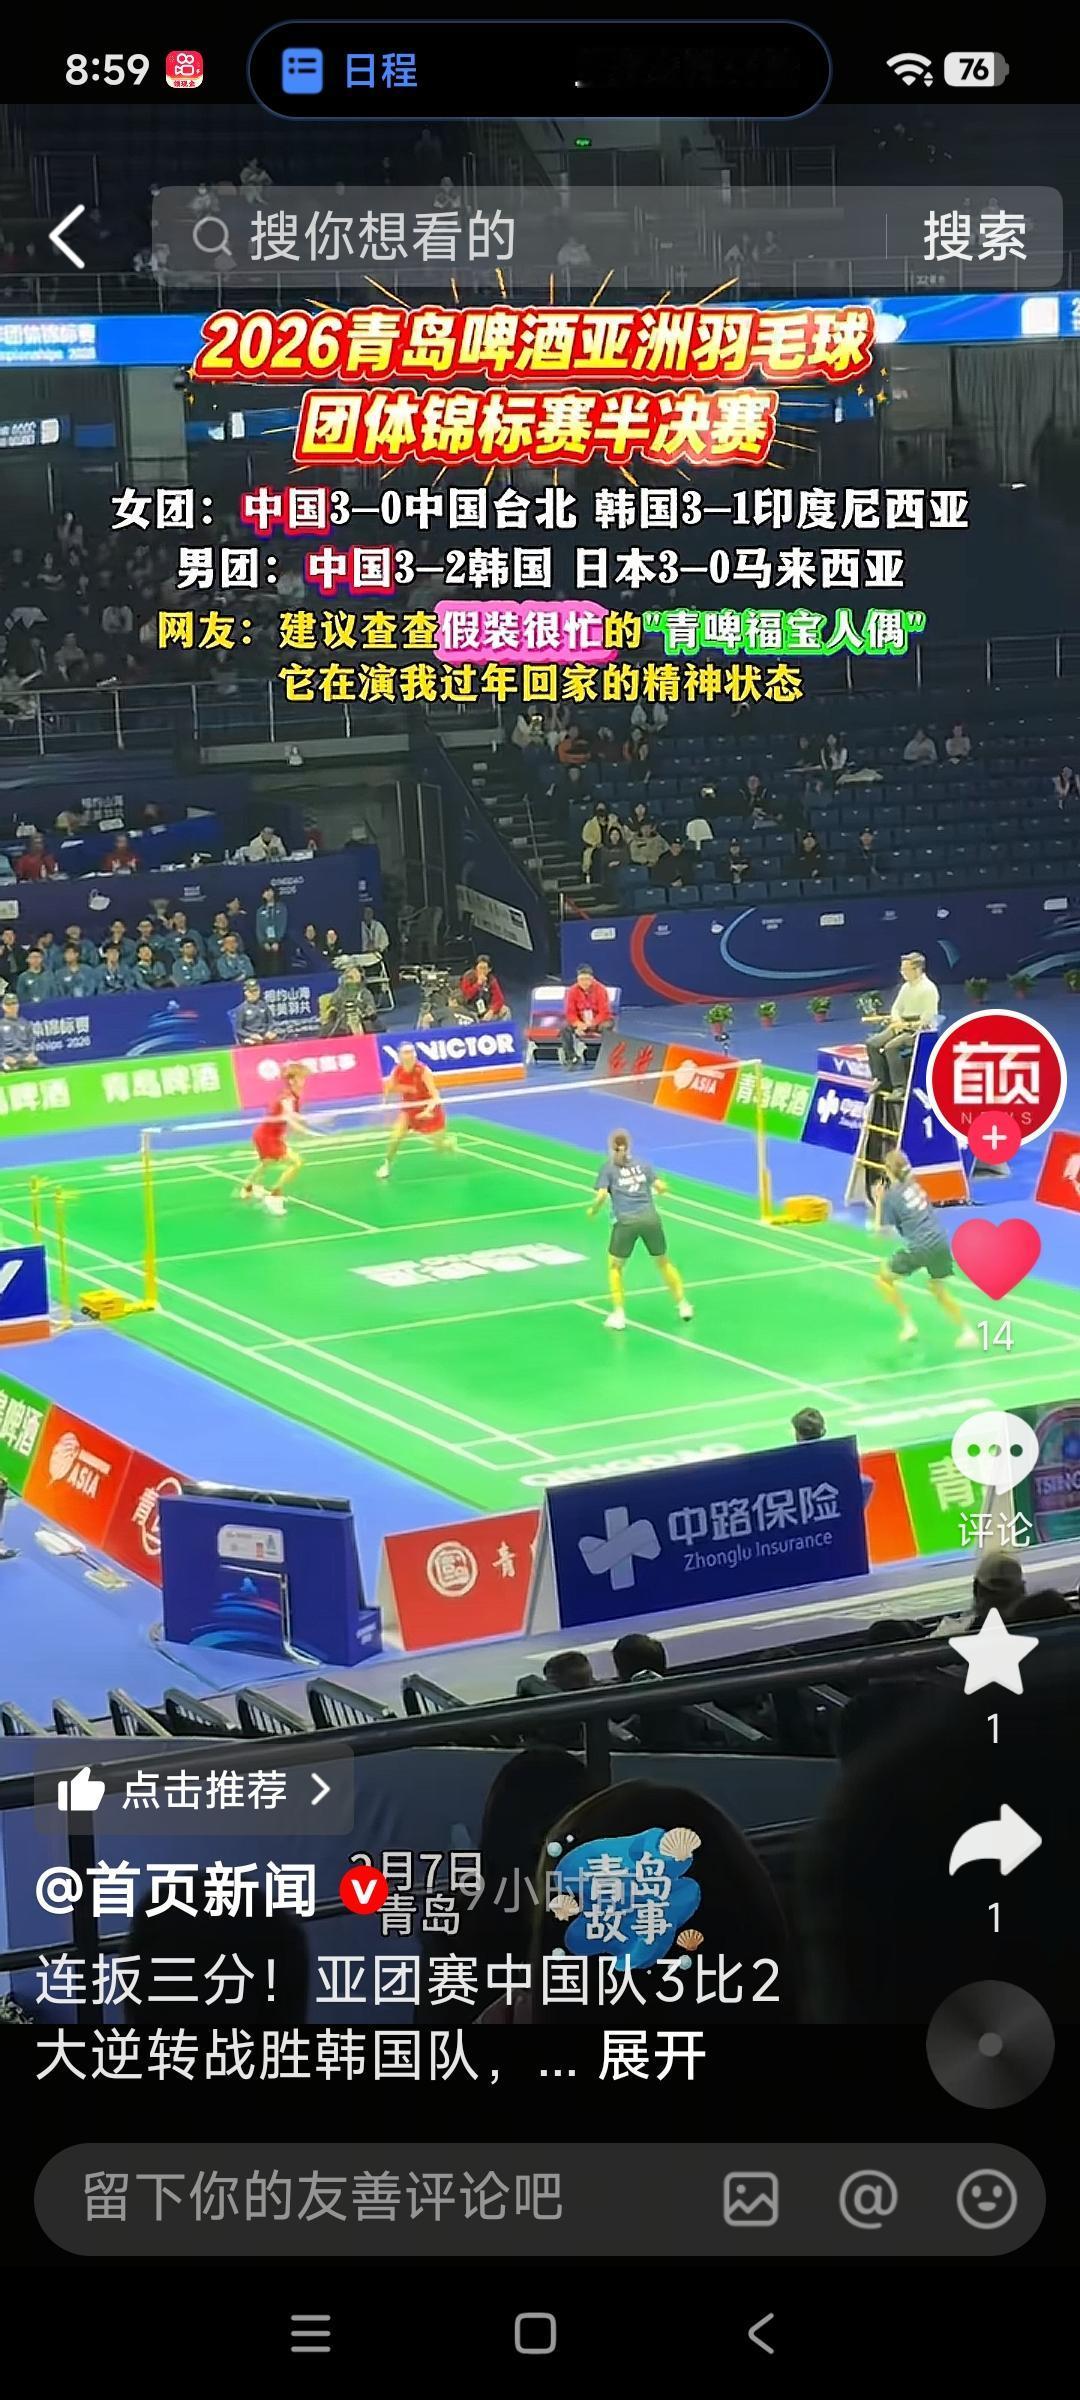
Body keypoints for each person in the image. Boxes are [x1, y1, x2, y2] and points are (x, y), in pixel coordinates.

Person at [587, 1128, 693, 1332]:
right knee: (663, 1262)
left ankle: (619, 1315)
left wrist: (593, 1211)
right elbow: (661, 1187)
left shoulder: (608, 1168)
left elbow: (601, 1195)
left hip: (626, 1222)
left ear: (611, 1148)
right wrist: (663, 1187)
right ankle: (684, 1306)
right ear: (628, 1147)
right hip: (650, 1219)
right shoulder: (643, 1164)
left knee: (615, 1267)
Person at [873, 1147, 978, 1349]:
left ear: (888, 1171)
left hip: (920, 1246)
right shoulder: (915, 1185)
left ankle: (908, 1324)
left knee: (883, 1279)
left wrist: (879, 1202)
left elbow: (881, 1235)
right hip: (940, 1241)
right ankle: (968, 1331)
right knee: (937, 1289)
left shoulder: (891, 1196)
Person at [240, 1063, 316, 1216]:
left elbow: (291, 1117)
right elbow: (289, 1116)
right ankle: (274, 1195)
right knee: (296, 1162)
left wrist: (303, 1124)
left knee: (267, 1162)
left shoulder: (295, 1095)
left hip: (269, 1135)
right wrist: (305, 1128)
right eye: (301, 1078)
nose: (304, 1081)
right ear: (292, 1080)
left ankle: (247, 1187)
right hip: (267, 1137)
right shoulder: (287, 1097)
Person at [376, 1042, 456, 1179]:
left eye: (412, 1052)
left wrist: (428, 1110)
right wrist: (384, 1102)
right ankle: (386, 1165)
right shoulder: (397, 1070)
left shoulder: (424, 1071)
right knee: (395, 1137)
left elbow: (436, 1096)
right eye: (406, 1052)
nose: (410, 1055)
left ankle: (450, 1143)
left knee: (440, 1147)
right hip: (409, 1110)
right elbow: (390, 1086)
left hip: (429, 1110)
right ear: (400, 1056)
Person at [864, 951, 940, 1092]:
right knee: (872, 1043)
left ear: (917, 969)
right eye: (902, 969)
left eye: (906, 969)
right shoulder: (906, 987)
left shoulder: (929, 989)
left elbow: (928, 1018)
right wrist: (897, 1020)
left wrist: (907, 1025)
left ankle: (899, 1086)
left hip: (917, 1030)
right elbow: (896, 1008)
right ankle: (880, 1079)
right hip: (900, 1024)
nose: (902, 972)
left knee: (891, 1047)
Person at [562, 965, 612, 1066]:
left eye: (587, 979)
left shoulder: (601, 989)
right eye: (581, 979)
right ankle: (571, 1057)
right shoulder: (572, 991)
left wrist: (590, 1024)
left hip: (599, 1021)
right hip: (581, 1021)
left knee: (606, 1027)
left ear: (592, 979)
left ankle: (605, 1056)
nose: (584, 982)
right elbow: (570, 1013)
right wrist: (578, 1024)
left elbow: (604, 1012)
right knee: (564, 1027)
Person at [459, 955, 510, 1020]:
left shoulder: (491, 980)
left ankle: (503, 1027)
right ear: (475, 968)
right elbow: (466, 996)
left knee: (505, 1009)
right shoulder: (468, 977)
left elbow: (499, 999)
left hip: (486, 1008)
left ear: (489, 969)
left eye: (484, 968)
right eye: (480, 968)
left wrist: (492, 1010)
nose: (482, 971)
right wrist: (478, 985)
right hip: (470, 1009)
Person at [0, 993, 37, 1070]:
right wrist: (4, 1057)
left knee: (37, 1063)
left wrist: (31, 1054)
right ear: (3, 1006)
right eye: (8, 1004)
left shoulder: (25, 1023)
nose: (12, 1007)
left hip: (25, 1057)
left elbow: (32, 1042)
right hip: (7, 1059)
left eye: (14, 1003)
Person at [254, 886, 288, 971]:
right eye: (265, 892)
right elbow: (259, 928)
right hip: (265, 942)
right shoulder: (260, 910)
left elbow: (283, 925)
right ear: (263, 895)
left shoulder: (281, 908)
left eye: (269, 891)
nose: (268, 893)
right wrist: (263, 942)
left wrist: (277, 941)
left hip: (279, 941)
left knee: (277, 965)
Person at [233, 978, 274, 1044]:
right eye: (251, 992)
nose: (254, 994)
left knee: (273, 1038)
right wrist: (250, 1035)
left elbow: (270, 1022)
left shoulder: (263, 1005)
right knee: (252, 1042)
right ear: (246, 993)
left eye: (256, 991)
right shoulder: (241, 1008)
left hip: (264, 1034)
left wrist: (269, 1031)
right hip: (250, 1036)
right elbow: (239, 1029)